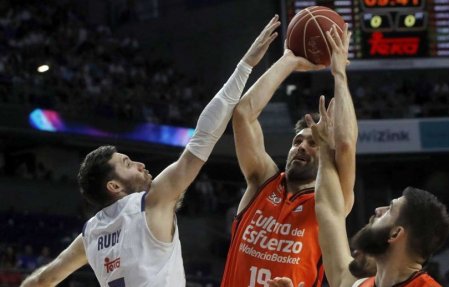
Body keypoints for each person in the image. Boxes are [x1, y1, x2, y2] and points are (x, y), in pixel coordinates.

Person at [20, 15, 281, 287]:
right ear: (114, 185)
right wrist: (245, 65)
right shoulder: (150, 203)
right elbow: (203, 136)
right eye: (127, 163)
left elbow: (40, 281)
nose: (140, 164)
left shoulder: (91, 234)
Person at [269, 35, 449, 287]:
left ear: (396, 234)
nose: (377, 210)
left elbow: (346, 147)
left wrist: (341, 77)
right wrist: (338, 75)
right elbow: (328, 212)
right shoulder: (363, 284)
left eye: (389, 209)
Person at [221, 23, 357, 286]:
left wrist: (339, 74)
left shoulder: (329, 201)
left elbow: (346, 145)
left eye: (313, 143)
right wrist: (288, 61)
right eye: (297, 141)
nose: (302, 146)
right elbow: (243, 115)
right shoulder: (263, 181)